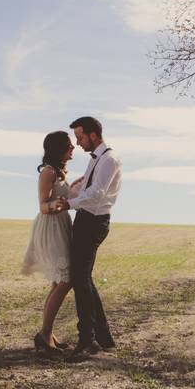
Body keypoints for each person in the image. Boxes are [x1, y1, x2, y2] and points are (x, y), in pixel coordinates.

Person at [57, 116, 122, 357]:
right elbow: (89, 188)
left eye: (81, 137)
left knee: (80, 278)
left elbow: (97, 193)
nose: (78, 142)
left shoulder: (109, 159)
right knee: (83, 278)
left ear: (94, 135)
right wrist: (75, 192)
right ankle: (102, 336)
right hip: (86, 220)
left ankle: (88, 340)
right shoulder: (98, 159)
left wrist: (69, 204)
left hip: (94, 222)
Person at [20, 131, 76, 355]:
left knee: (57, 282)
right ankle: (44, 334)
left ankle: (47, 334)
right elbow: (43, 206)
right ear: (59, 148)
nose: (73, 148)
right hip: (51, 228)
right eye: (69, 145)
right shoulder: (48, 172)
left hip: (60, 226)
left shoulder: (59, 172)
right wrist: (60, 205)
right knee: (65, 280)